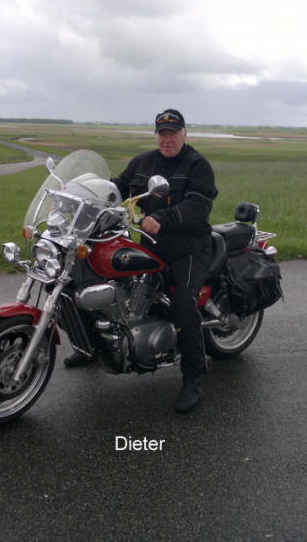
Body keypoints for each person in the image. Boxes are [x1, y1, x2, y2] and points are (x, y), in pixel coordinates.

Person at [64, 109, 219, 413]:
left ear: (184, 134)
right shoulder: (143, 162)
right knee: (85, 280)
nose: (167, 139)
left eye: (173, 133)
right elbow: (118, 187)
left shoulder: (197, 165)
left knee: (182, 303)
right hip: (152, 244)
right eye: (162, 133)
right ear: (156, 135)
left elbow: (198, 204)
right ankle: (90, 346)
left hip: (189, 248)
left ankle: (193, 377)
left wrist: (164, 217)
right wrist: (84, 196)